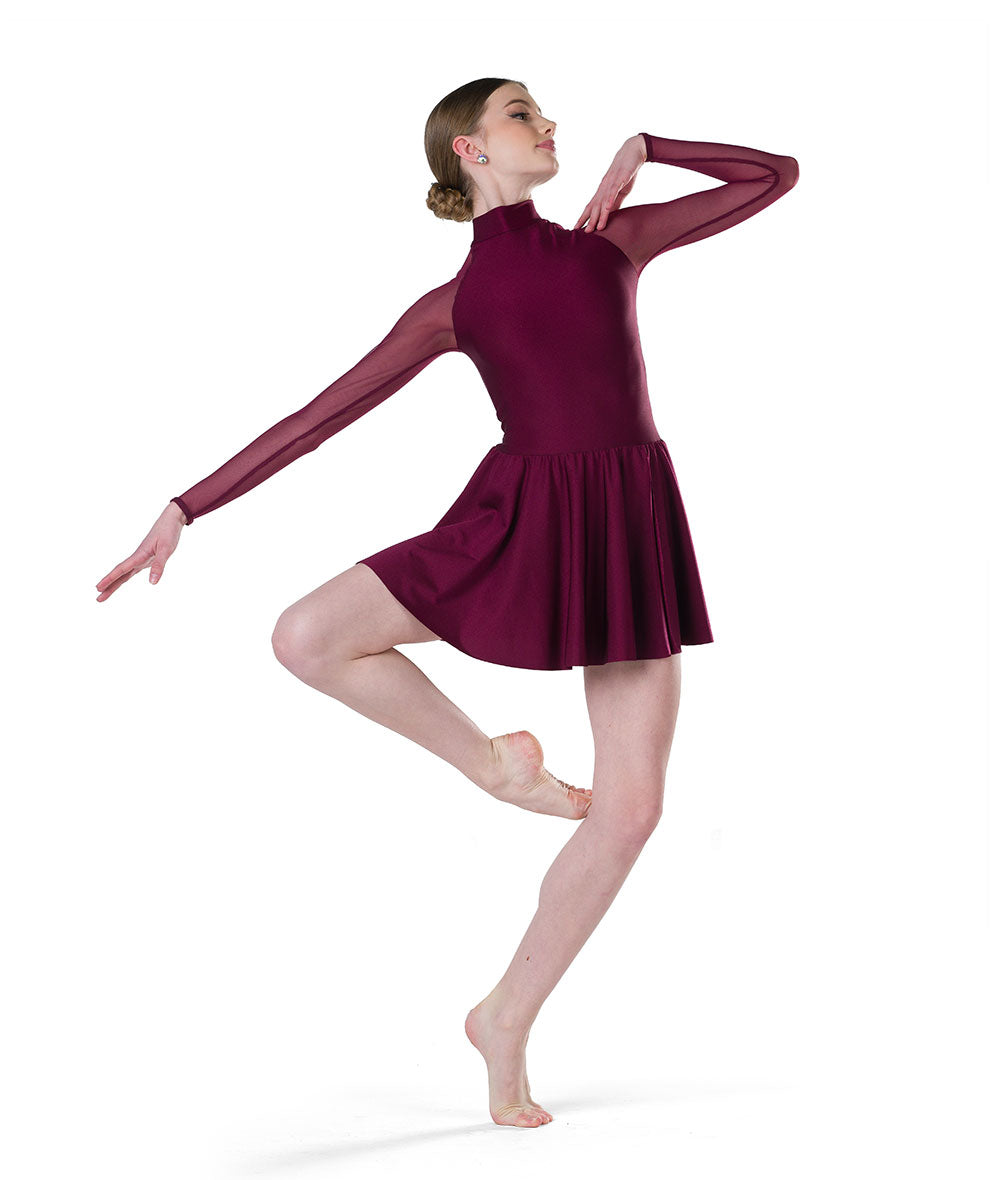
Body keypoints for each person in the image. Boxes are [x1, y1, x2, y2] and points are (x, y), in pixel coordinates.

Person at [96, 77, 798, 1128]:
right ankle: (493, 767)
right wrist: (185, 507)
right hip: (522, 520)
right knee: (307, 635)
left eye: (544, 113)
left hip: (625, 522)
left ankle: (504, 1015)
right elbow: (319, 416)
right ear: (469, 150)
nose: (548, 125)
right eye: (522, 114)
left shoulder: (612, 245)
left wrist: (647, 147)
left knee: (632, 810)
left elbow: (773, 176)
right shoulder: (456, 305)